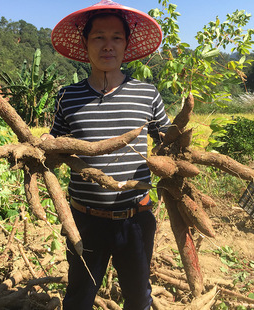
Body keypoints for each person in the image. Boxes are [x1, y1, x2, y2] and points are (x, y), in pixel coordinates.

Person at [45, 1, 171, 309]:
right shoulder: (67, 96)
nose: (107, 45)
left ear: (126, 45)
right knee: (78, 298)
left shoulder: (147, 94)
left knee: (139, 297)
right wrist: (37, 148)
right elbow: (54, 146)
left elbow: (169, 145)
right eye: (98, 36)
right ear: (86, 44)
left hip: (135, 218)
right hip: (84, 220)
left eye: (116, 37)